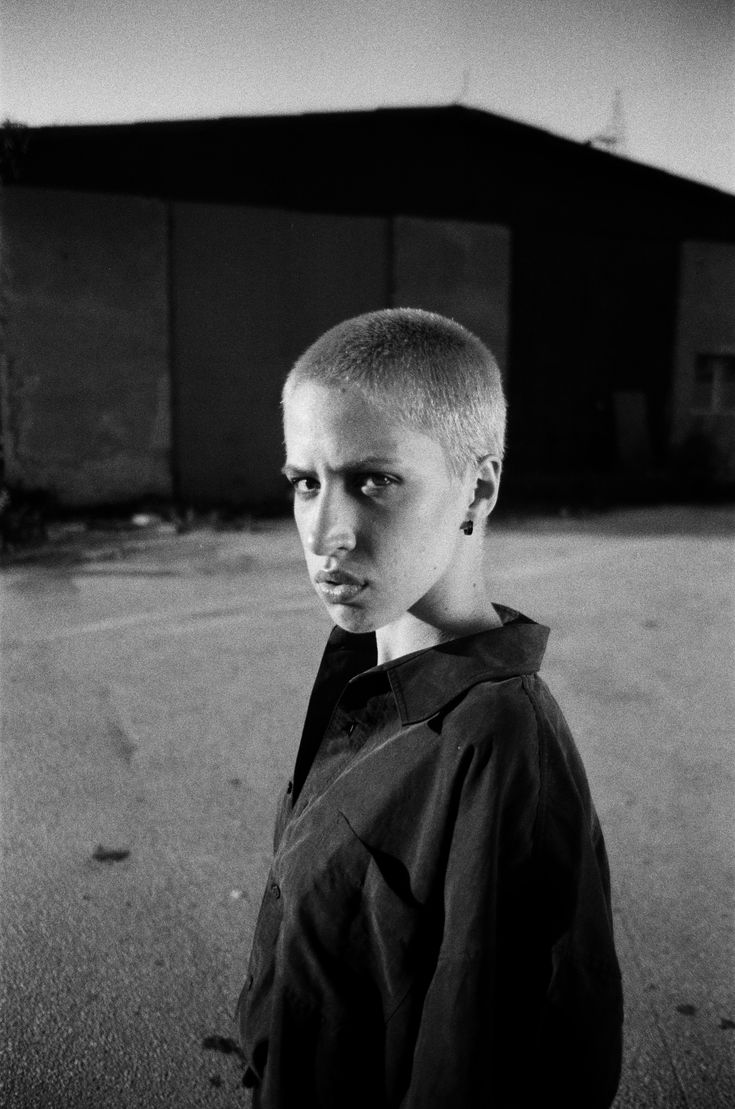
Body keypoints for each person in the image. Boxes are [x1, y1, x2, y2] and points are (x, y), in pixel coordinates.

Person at [237, 308, 623, 1108]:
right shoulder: (358, 665)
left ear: (477, 485)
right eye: (307, 481)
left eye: (373, 479)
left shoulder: (499, 742)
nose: (325, 533)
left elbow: (494, 1066)